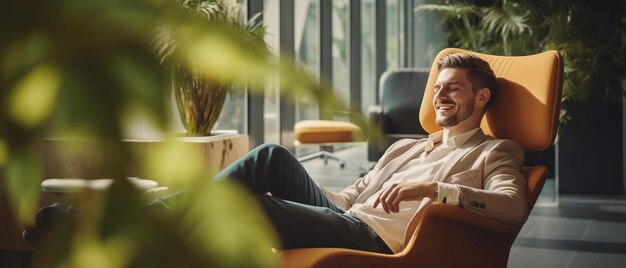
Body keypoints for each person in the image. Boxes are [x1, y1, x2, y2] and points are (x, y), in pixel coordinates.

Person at [214, 53, 527, 254]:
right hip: (347, 217)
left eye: (453, 89)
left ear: (482, 96)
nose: (440, 96)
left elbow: (512, 206)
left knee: (252, 207)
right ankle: (167, 211)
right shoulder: (407, 147)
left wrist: (435, 190)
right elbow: (352, 196)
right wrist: (301, 196)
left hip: (374, 240)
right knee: (273, 156)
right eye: (436, 89)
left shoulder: (494, 151)